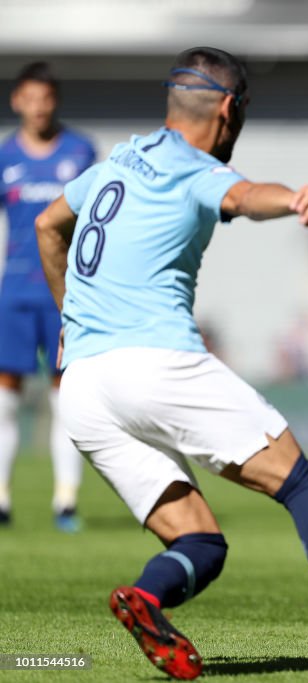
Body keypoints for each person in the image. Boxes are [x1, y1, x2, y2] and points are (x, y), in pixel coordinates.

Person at [34, 47, 308, 679]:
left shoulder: (117, 160)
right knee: (304, 485)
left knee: (199, 541)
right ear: (230, 108)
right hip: (157, 363)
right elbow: (245, 194)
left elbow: (47, 225)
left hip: (87, 388)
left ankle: (147, 598)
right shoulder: (193, 168)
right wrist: (294, 199)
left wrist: (69, 325)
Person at [0, 62, 94, 532]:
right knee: (6, 401)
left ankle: (66, 502)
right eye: (30, 98)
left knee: (66, 399)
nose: (38, 107)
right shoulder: (5, 157)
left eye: (46, 98)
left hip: (63, 292)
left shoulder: (79, 152)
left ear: (55, 100)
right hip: (14, 291)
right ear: (18, 101)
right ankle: (1, 497)